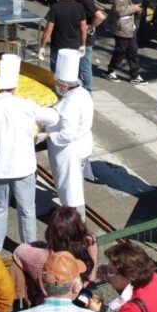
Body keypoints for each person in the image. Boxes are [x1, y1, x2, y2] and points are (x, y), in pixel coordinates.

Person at [0, 55, 58, 255]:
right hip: (23, 166)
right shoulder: (25, 105)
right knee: (27, 209)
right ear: (15, 87)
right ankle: (31, 247)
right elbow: (52, 117)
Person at [12, 206, 98, 306]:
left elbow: (19, 251)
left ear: (51, 232)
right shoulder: (89, 243)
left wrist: (40, 244)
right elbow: (91, 277)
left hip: (48, 303)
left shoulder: (44, 256)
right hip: (80, 296)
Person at [45, 49, 94, 215]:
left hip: (69, 151)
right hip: (83, 144)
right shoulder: (83, 93)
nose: (56, 85)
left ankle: (74, 221)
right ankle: (70, 214)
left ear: (65, 85)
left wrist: (48, 135)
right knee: (74, 184)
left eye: (58, 83)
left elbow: (67, 134)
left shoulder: (70, 104)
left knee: (70, 190)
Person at [37, 0, 87, 72]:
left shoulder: (55, 8)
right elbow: (83, 29)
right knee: (70, 73)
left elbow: (48, 31)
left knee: (56, 73)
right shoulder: (79, 7)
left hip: (58, 47)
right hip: (74, 47)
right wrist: (83, 45)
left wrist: (42, 47)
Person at [107, 0, 143, 83]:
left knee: (133, 49)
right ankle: (111, 70)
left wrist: (135, 7)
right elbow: (119, 10)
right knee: (121, 50)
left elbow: (127, 4)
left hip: (129, 25)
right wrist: (134, 8)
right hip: (121, 25)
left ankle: (135, 74)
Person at [72, 0, 104, 91]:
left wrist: (90, 26)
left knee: (84, 65)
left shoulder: (86, 1)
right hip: (81, 37)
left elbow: (100, 17)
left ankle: (87, 89)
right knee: (80, 64)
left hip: (86, 39)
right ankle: (80, 87)